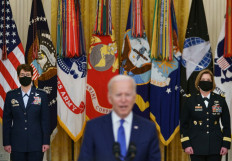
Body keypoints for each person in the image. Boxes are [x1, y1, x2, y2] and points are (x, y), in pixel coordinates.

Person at [78, 75, 161, 161]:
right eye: (118, 95)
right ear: (110, 98)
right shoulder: (93, 127)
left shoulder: (148, 129)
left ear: (134, 98)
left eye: (128, 94)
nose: (123, 99)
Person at [180, 69, 231, 161]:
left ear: (212, 82)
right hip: (195, 146)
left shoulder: (220, 100)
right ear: (198, 82)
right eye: (203, 80)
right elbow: (184, 125)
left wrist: (225, 144)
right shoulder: (190, 100)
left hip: (216, 147)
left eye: (208, 80)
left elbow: (226, 124)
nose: (205, 82)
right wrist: (186, 144)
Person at [2, 64, 50, 161]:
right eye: (22, 74)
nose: (25, 77)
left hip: (36, 143)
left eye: (28, 74)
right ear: (18, 76)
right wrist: (6, 142)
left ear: (32, 76)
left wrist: (46, 141)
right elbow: (6, 121)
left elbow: (45, 120)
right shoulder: (11, 96)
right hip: (17, 143)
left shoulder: (41, 95)